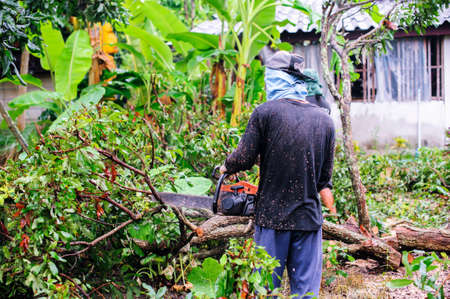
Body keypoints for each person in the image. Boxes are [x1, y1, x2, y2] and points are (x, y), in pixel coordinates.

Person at [219, 51, 336, 298]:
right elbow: (324, 181)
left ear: (278, 79)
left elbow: (243, 158)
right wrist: (334, 212)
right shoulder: (324, 121)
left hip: (272, 219)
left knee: (264, 290)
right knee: (305, 294)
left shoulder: (266, 113)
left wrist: (226, 168)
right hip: (308, 220)